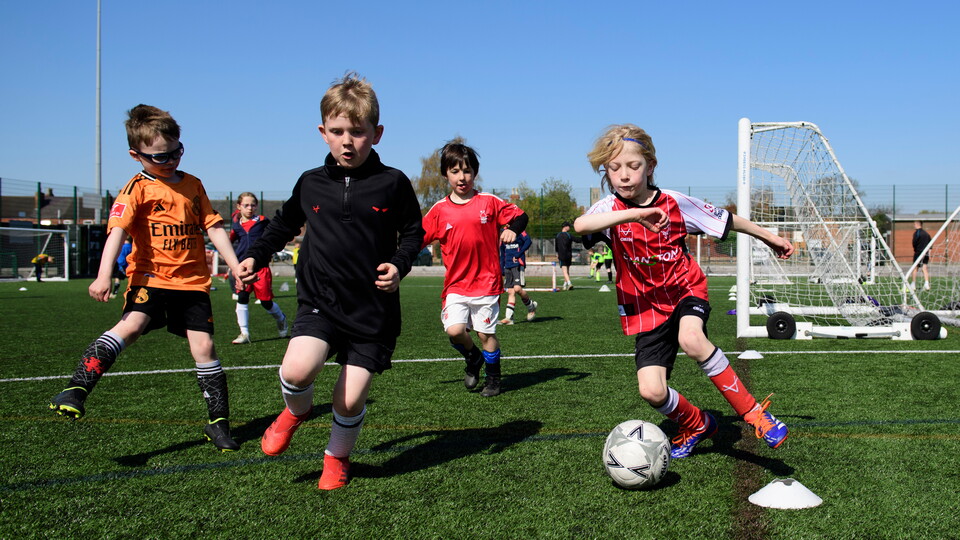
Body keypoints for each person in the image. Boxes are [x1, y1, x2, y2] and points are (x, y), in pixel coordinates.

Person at [236, 73, 424, 490]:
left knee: (349, 399)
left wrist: (399, 265)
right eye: (337, 132)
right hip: (320, 300)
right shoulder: (311, 182)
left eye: (357, 132)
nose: (347, 141)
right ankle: (296, 411)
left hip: (372, 309)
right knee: (297, 370)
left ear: (376, 133)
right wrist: (255, 254)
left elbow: (414, 233)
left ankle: (336, 457)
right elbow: (283, 224)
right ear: (323, 133)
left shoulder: (393, 182)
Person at [574, 124, 792, 459]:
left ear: (650, 166)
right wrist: (637, 215)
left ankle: (755, 414)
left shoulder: (674, 203)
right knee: (651, 391)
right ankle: (697, 424)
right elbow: (580, 226)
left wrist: (770, 237)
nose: (624, 175)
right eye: (614, 168)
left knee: (691, 339)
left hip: (685, 289)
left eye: (633, 166)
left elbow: (728, 220)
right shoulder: (608, 209)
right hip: (645, 306)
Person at [49, 104, 244, 451]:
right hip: (150, 278)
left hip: (192, 283)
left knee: (205, 347)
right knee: (132, 326)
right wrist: (103, 275)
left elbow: (213, 227)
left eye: (176, 152)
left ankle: (218, 423)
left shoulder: (193, 184)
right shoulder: (136, 188)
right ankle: (76, 388)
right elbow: (117, 232)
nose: (169, 161)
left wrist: (234, 264)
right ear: (135, 155)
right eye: (159, 157)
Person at [421, 142, 528, 398]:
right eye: (455, 171)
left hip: (486, 282)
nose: (462, 177)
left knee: (485, 333)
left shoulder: (489, 202)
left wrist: (513, 228)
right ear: (445, 174)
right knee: (455, 331)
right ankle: (473, 358)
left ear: (475, 173)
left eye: (467, 171)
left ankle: (493, 377)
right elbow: (416, 239)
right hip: (456, 284)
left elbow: (521, 216)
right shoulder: (438, 210)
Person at [230, 192, 289, 344]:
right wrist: (233, 265)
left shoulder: (263, 221)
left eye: (253, 205)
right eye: (246, 205)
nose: (250, 208)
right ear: (239, 206)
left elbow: (274, 235)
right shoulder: (236, 225)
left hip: (261, 268)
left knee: (265, 302)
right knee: (242, 297)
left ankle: (281, 319)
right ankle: (244, 333)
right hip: (243, 269)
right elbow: (230, 242)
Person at [499, 229, 538, 324]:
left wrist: (519, 254)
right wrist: (502, 268)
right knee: (510, 291)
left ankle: (531, 306)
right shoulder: (503, 232)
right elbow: (502, 251)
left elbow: (528, 241)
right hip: (507, 265)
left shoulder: (519, 230)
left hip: (518, 265)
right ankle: (509, 318)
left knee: (517, 288)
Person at [911, 220, 932, 291]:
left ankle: (913, 284)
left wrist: (916, 249)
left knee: (915, 268)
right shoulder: (926, 233)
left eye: (914, 224)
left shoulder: (917, 233)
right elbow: (930, 243)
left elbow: (914, 243)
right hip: (926, 253)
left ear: (917, 224)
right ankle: (926, 284)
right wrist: (929, 252)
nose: (914, 226)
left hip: (919, 252)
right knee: (924, 268)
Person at [555, 222, 574, 290]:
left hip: (562, 255)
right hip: (568, 255)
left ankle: (569, 283)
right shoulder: (569, 235)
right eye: (569, 226)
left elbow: (556, 246)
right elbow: (577, 240)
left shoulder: (558, 235)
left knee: (565, 270)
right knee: (567, 270)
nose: (569, 228)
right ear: (565, 227)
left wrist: (557, 253)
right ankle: (565, 284)